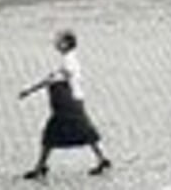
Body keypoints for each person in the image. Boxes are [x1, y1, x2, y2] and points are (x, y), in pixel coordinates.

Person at [18, 30, 112, 179]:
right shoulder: (69, 60)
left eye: (59, 41)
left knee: (52, 134)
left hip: (67, 104)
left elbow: (53, 80)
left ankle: (40, 167)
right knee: (85, 131)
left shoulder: (68, 62)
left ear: (67, 44)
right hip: (72, 102)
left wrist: (29, 90)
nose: (56, 43)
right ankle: (102, 159)